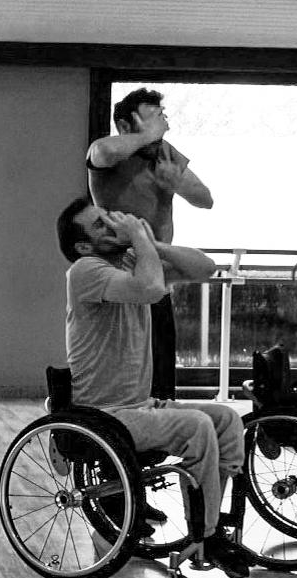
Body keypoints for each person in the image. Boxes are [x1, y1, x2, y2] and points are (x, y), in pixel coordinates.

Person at [56, 195, 249, 578]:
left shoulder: (132, 260)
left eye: (108, 217)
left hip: (141, 406)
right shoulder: (85, 270)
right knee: (196, 426)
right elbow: (149, 289)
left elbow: (205, 268)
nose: (112, 225)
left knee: (227, 420)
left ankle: (209, 525)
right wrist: (139, 240)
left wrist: (151, 242)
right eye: (100, 225)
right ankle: (207, 534)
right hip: (105, 414)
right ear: (84, 246)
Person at [86, 87, 213, 400]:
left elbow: (206, 199)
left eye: (162, 117)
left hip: (158, 269)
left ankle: (159, 423)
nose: (163, 125)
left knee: (160, 374)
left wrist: (178, 183)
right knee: (123, 371)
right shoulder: (112, 150)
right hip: (120, 271)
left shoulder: (164, 153)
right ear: (125, 124)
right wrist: (147, 135)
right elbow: (102, 152)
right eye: (154, 118)